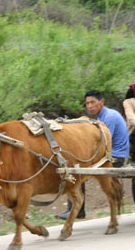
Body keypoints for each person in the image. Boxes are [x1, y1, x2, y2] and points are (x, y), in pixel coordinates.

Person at [55, 90, 129, 220]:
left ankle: (77, 209)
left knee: (78, 171)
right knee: (76, 167)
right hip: (105, 154)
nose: (89, 106)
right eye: (87, 103)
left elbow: (104, 143)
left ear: (101, 102)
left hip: (115, 155)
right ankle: (76, 209)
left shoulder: (109, 117)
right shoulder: (100, 118)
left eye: (92, 102)